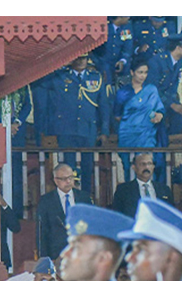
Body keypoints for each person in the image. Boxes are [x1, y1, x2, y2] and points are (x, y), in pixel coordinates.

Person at [41, 55, 109, 192]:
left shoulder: (95, 77)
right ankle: (68, 199)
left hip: (88, 128)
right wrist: (60, 62)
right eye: (78, 57)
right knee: (67, 168)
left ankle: (86, 199)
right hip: (66, 129)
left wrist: (105, 131)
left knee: (87, 168)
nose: (81, 61)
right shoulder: (60, 76)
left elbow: (103, 106)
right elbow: (42, 80)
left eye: (84, 57)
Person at [115, 55, 165, 178]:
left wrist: (159, 115)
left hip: (147, 136)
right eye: (140, 72)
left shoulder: (151, 90)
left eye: (145, 72)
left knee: (147, 168)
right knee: (130, 169)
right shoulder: (123, 93)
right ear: (132, 72)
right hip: (128, 136)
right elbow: (117, 115)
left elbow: (160, 109)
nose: (143, 76)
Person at [37, 163, 93, 261]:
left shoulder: (84, 198)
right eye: (64, 179)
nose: (68, 181)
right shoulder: (46, 201)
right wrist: (44, 258)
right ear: (56, 180)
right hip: (56, 253)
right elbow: (42, 231)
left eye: (70, 177)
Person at [111, 152, 173, 218]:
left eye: (149, 164)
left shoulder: (164, 189)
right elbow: (118, 215)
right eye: (142, 164)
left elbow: (171, 214)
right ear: (134, 167)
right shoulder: (123, 190)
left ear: (153, 167)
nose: (146, 167)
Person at [94, 17, 133, 85]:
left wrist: (122, 60)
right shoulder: (103, 27)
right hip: (102, 62)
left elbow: (127, 47)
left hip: (118, 61)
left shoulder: (126, 28)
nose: (128, 18)